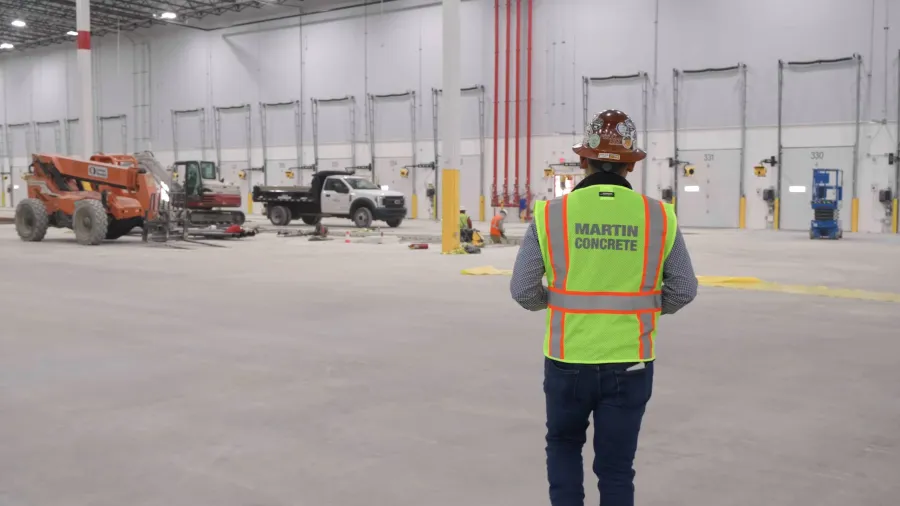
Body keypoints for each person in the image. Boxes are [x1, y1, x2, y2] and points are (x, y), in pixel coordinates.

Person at [510, 109, 698, 506]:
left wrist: (560, 304)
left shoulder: (550, 215)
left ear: (583, 160)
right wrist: (640, 310)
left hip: (567, 359)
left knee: (563, 445)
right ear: (631, 164)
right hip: (630, 362)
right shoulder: (658, 216)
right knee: (615, 468)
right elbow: (683, 288)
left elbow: (524, 290)